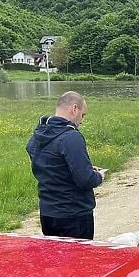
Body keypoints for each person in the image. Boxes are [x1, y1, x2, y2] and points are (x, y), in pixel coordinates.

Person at [26, 91, 105, 239]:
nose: (82, 121)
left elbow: (48, 165)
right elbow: (86, 180)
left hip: (48, 213)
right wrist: (98, 176)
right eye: (83, 115)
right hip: (74, 215)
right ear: (74, 109)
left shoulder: (39, 133)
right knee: (78, 261)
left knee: (54, 260)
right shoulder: (71, 136)